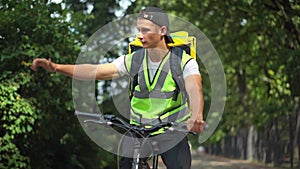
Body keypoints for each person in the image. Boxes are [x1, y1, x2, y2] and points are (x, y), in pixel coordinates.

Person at [31, 6, 205, 169]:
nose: (139, 35)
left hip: (172, 129)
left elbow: (194, 89)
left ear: (162, 31)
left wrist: (196, 115)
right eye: (138, 30)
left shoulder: (183, 61)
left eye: (145, 30)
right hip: (138, 128)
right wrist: (56, 67)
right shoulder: (134, 60)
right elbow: (96, 71)